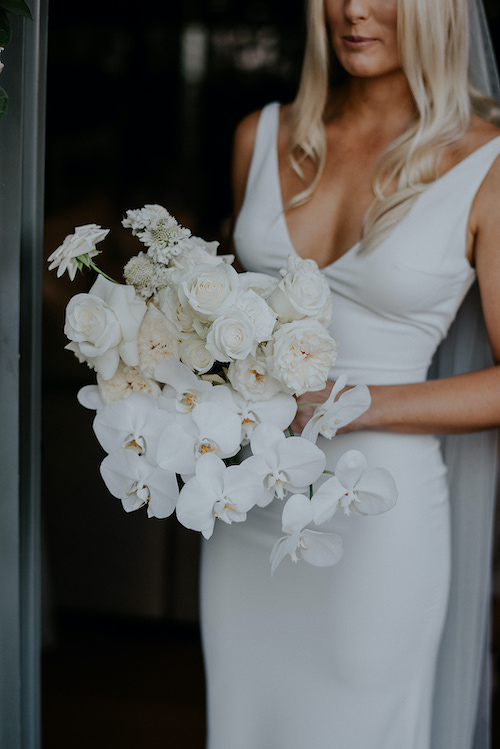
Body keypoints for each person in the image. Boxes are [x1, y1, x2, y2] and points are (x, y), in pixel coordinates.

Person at [200, 1, 500, 747]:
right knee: (244, 724)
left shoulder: (487, 165)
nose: (354, 9)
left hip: (380, 519)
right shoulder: (259, 136)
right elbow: (228, 326)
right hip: (250, 503)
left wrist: (352, 402)